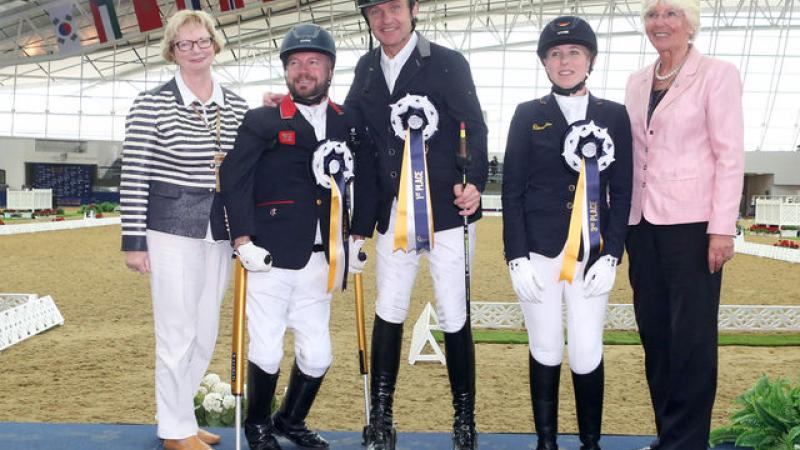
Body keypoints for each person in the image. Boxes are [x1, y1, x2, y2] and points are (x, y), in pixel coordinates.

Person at [220, 23, 370, 450]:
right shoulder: (264, 119)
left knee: (319, 355)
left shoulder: (348, 121)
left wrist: (358, 235)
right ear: (286, 70)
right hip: (269, 257)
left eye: (314, 62)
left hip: (324, 262)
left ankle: (289, 420)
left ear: (329, 69)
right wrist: (243, 241)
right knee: (266, 351)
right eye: (296, 63)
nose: (304, 70)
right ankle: (258, 426)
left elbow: (369, 178)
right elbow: (235, 180)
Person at [345, 1, 488, 449]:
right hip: (392, 214)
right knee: (389, 308)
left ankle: (464, 419)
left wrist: (477, 183)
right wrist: (289, 105)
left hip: (446, 211)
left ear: (413, 10)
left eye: (394, 8)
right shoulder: (365, 68)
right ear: (367, 19)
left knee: (453, 312)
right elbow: (349, 130)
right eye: (376, 11)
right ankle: (382, 416)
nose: (386, 19)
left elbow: (476, 127)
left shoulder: (448, 63)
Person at [502, 16, 632, 450]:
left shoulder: (614, 115)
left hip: (592, 253)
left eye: (574, 52)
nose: (564, 60)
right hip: (539, 250)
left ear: (590, 59)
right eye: (555, 53)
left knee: (586, 348)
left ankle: (590, 444)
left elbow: (624, 189)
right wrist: (515, 256)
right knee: (545, 347)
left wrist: (613, 253)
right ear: (544, 62)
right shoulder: (527, 115)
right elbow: (512, 190)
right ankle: (546, 442)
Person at [120, 9, 248, 450]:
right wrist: (134, 242)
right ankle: (175, 432)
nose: (195, 50)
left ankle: (180, 418)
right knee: (176, 331)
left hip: (219, 230)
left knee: (205, 329)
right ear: (172, 52)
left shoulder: (236, 105)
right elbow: (134, 175)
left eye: (202, 41)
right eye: (184, 44)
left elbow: (246, 164)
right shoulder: (150, 104)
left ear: (215, 44)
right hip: (170, 229)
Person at [624, 0, 745, 448]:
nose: (660, 23)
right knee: (655, 334)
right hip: (643, 224)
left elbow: (730, 155)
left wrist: (722, 228)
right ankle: (668, 434)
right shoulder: (636, 81)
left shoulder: (717, 74)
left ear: (690, 24)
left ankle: (688, 442)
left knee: (692, 340)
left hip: (694, 226)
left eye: (671, 13)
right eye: (652, 15)